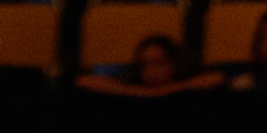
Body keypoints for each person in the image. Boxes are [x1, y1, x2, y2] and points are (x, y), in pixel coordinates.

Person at [78, 33, 224, 97]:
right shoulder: (130, 77)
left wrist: (169, 90)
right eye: (145, 65)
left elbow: (217, 78)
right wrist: (144, 93)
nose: (153, 71)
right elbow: (84, 81)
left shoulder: (186, 75)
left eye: (159, 63)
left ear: (174, 62)